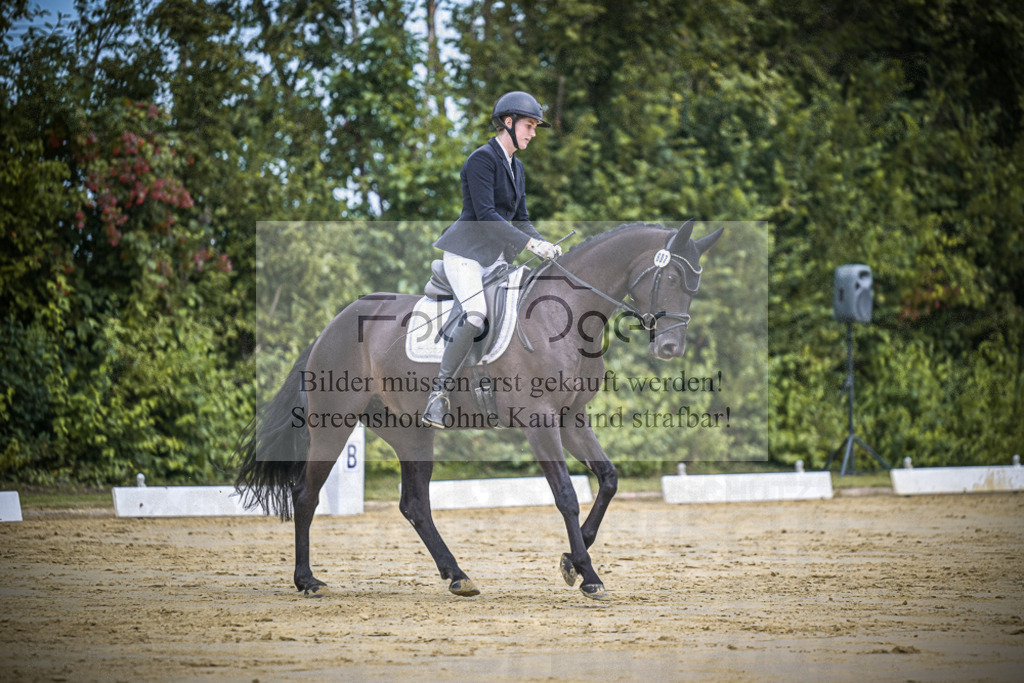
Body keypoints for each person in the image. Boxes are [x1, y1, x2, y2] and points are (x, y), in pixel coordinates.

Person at [422, 91, 562, 428]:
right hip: (467, 255)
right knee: (475, 314)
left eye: (535, 127)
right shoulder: (481, 160)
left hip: (497, 260)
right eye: (529, 126)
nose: (533, 133)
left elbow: (521, 220)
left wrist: (545, 245)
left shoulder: (517, 167)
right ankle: (438, 394)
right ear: (509, 122)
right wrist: (530, 244)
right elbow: (485, 215)